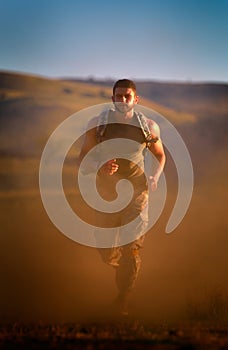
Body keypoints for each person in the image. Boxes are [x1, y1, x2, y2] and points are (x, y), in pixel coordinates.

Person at [77, 79, 166, 316]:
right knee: (105, 249)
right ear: (112, 98)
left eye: (128, 96)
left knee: (132, 248)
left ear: (136, 99)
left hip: (138, 192)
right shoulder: (98, 125)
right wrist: (99, 165)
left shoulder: (148, 127)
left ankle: (123, 300)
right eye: (119, 96)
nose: (123, 100)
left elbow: (160, 156)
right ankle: (120, 265)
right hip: (106, 194)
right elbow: (82, 160)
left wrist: (155, 177)